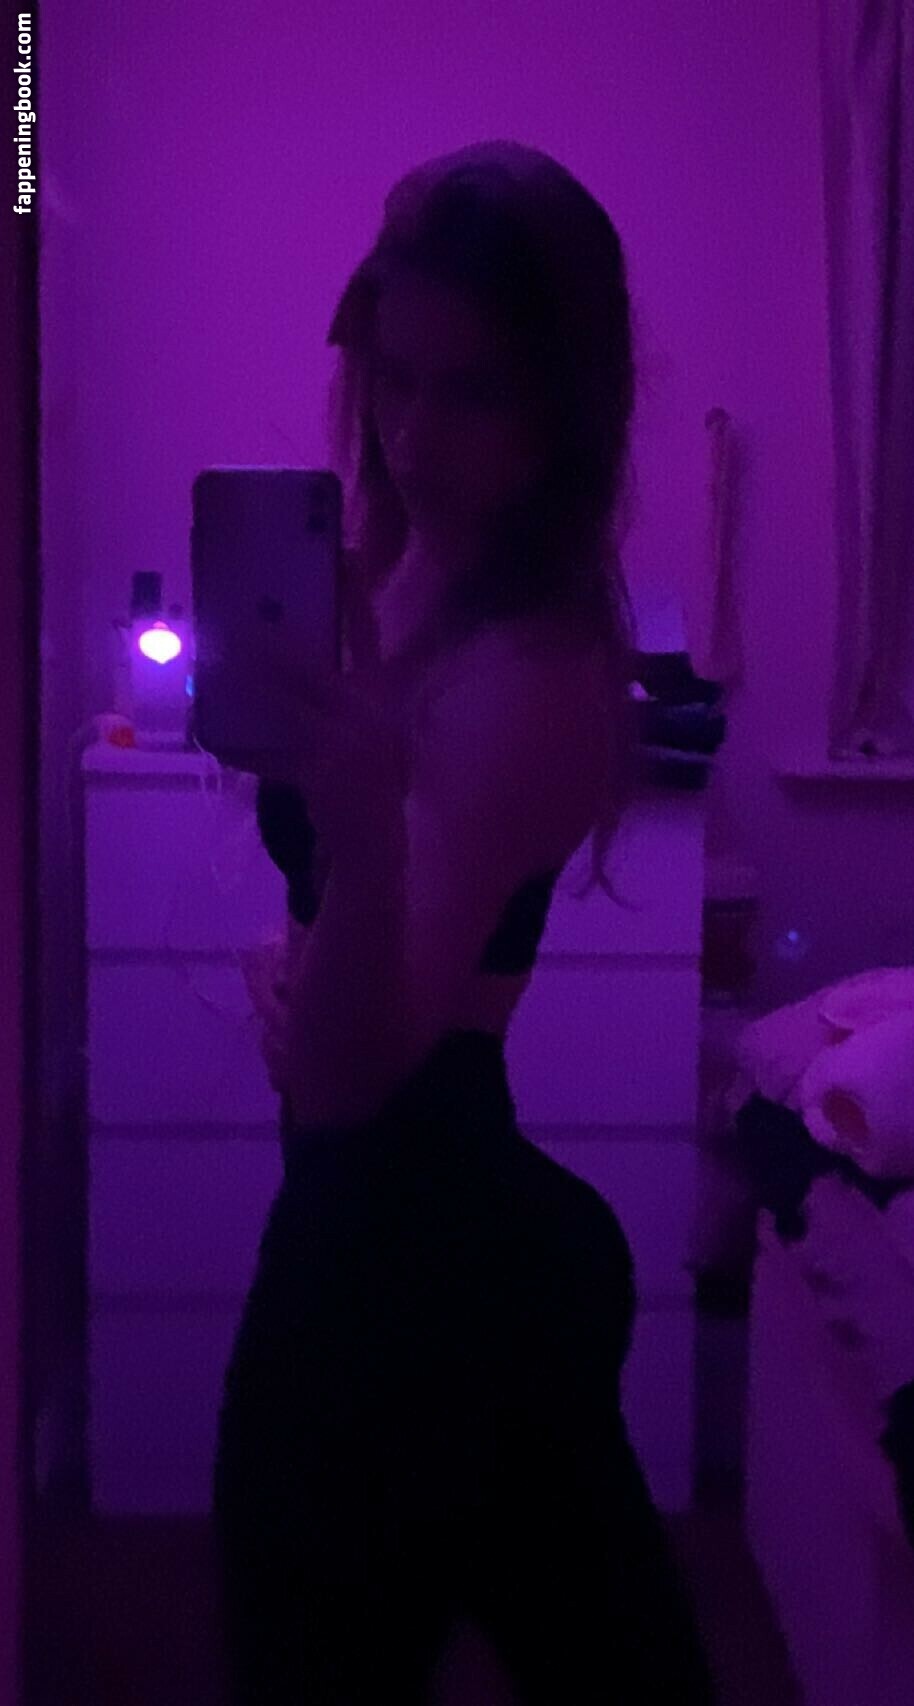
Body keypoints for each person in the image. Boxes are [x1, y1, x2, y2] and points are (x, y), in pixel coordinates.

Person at [212, 139, 715, 1704]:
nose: (412, 437)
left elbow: (348, 1075)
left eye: (471, 392)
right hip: (391, 1232)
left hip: (419, 1271)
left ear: (562, 406)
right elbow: (358, 964)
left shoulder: (536, 676)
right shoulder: (403, 560)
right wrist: (311, 940)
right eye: (393, 376)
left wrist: (358, 846)